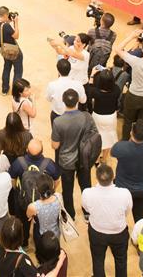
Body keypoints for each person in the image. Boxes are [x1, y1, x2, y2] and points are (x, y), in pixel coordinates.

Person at [50, 89, 96, 220]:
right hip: (84, 158)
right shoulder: (87, 117)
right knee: (86, 186)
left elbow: (55, 145)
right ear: (78, 101)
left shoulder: (58, 122)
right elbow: (94, 134)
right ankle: (87, 213)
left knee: (67, 190)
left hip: (66, 161)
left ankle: (70, 215)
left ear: (63, 102)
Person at [82, 163, 132, 277]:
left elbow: (86, 208)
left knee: (98, 260)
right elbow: (127, 212)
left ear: (96, 178)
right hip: (119, 232)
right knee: (121, 261)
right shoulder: (124, 193)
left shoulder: (87, 193)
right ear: (113, 177)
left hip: (97, 232)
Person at [110, 121, 143, 224]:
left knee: (119, 215)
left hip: (122, 188)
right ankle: (139, 238)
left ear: (131, 133)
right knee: (140, 218)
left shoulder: (120, 147)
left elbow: (112, 153)